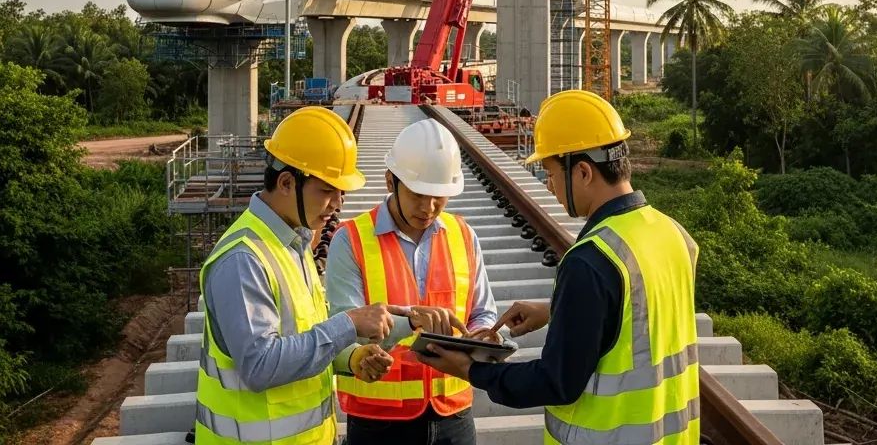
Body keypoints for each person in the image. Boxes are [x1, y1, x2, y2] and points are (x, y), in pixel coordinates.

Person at [421, 90, 702, 445]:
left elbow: (557, 381)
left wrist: (473, 371)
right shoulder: (672, 233)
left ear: (583, 171)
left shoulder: (592, 259)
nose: (548, 185)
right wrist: (558, 311)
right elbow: (640, 313)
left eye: (550, 173)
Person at [195, 106, 395, 445]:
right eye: (327, 190)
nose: (337, 203)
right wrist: (348, 325)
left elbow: (300, 337)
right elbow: (260, 365)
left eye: (341, 192)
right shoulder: (244, 259)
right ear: (287, 182)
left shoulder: (293, 242)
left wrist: (350, 356)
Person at [327, 117, 501, 445]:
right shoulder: (351, 241)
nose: (429, 207)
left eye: (439, 196)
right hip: (377, 420)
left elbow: (482, 312)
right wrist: (410, 323)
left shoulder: (463, 235)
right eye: (419, 194)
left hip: (454, 415)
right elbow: (341, 330)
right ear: (390, 181)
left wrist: (483, 337)